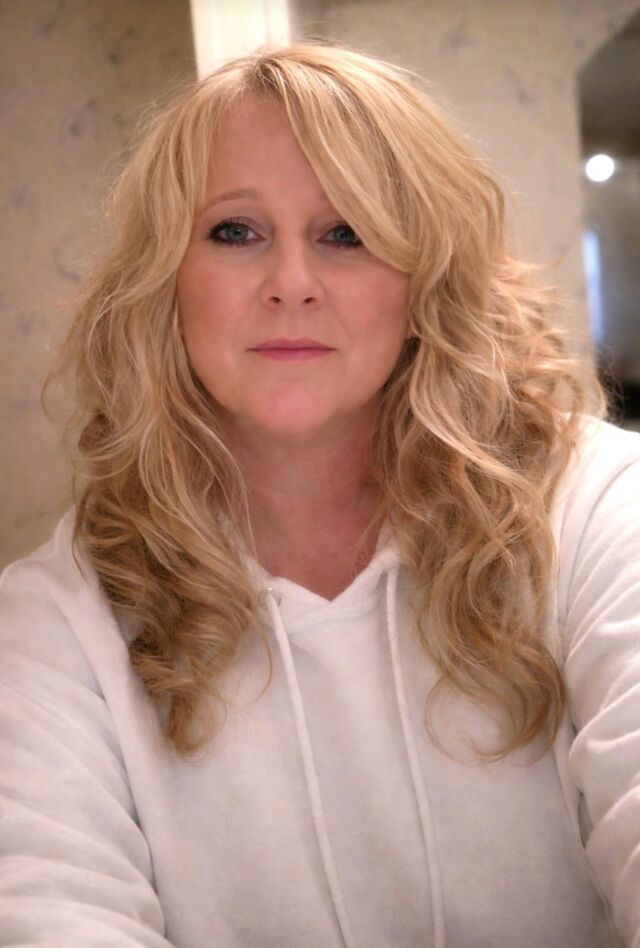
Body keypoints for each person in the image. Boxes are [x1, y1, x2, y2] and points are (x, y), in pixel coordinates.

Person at [0, 40, 638, 948]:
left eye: (347, 233)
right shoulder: (52, 625)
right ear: (165, 280)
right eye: (235, 232)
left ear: (424, 280)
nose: (291, 285)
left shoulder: (603, 510)